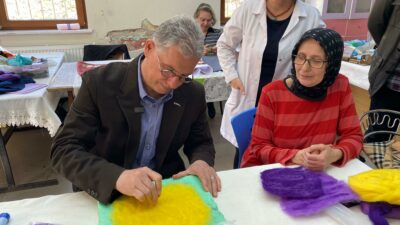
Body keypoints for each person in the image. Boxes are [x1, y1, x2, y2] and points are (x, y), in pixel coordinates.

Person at [50, 16, 221, 204]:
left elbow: (201, 142)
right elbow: (64, 150)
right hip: (108, 191)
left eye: (183, 76)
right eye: (168, 70)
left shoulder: (192, 93)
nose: (173, 83)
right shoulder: (99, 83)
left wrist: (201, 162)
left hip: (162, 191)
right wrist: (117, 177)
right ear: (149, 48)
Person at [217, 0, 325, 167]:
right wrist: (232, 76)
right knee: (244, 158)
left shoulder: (310, 16)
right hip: (247, 100)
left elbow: (322, 53)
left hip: (285, 104)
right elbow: (224, 45)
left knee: (277, 159)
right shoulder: (247, 10)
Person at [241, 28, 363, 171]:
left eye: (316, 61)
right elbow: (259, 147)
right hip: (270, 170)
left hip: (315, 174)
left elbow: (354, 136)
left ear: (331, 65)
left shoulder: (339, 86)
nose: (304, 68)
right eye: (300, 57)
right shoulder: (272, 93)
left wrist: (335, 154)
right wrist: (296, 156)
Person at [367, 0, 400, 142]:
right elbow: (376, 21)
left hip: (391, 80)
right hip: (391, 80)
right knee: (377, 137)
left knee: (377, 135)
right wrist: (388, 47)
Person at [194, 3, 221, 119]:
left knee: (211, 82)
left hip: (213, 67)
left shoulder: (218, 33)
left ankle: (210, 103)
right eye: (202, 20)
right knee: (195, 86)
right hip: (195, 69)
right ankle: (199, 106)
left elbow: (224, 48)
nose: (205, 23)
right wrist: (199, 51)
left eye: (208, 20)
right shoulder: (191, 34)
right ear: (196, 18)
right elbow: (186, 51)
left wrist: (209, 49)